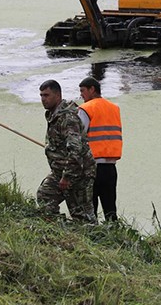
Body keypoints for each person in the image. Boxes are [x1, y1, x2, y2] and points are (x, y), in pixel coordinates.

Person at [36, 79, 96, 223]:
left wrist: (67, 177)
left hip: (78, 173)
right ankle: (59, 229)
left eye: (46, 95)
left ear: (57, 96)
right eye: (41, 96)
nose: (43, 99)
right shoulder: (54, 115)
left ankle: (94, 238)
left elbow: (76, 150)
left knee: (82, 216)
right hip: (60, 171)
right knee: (45, 195)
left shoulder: (68, 118)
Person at [78, 76, 122, 222]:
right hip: (110, 167)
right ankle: (115, 237)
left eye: (83, 91)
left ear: (92, 89)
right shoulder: (114, 108)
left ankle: (94, 238)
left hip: (92, 166)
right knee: (110, 208)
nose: (81, 95)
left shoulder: (86, 109)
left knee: (91, 208)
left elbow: (78, 135)